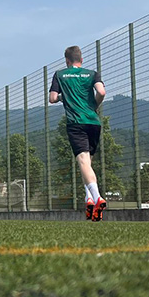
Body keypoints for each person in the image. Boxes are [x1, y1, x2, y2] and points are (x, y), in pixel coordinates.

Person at [49, 46, 107, 221]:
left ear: (67, 60)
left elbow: (52, 98)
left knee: (82, 160)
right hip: (93, 122)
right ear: (81, 59)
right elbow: (102, 92)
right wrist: (94, 106)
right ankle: (88, 197)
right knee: (87, 164)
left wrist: (62, 96)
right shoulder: (92, 74)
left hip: (76, 123)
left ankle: (96, 197)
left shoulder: (60, 74)